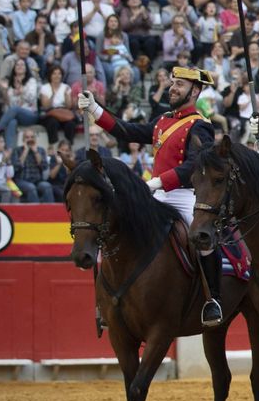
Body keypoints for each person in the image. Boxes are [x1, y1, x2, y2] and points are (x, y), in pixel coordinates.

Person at [78, 65, 224, 326]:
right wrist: (94, 109)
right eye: (173, 83)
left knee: (203, 238)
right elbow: (126, 131)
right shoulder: (162, 121)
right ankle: (110, 299)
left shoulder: (200, 126)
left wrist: (158, 182)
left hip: (183, 194)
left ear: (195, 91)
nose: (173, 88)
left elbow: (193, 165)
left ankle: (212, 299)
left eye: (180, 84)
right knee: (116, 230)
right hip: (156, 194)